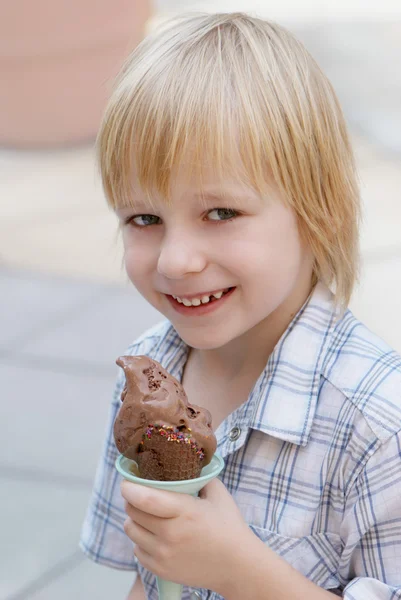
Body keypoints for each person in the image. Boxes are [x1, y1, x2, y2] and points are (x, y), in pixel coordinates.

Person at [80, 12, 401, 600]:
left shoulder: (378, 427)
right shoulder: (144, 378)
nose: (176, 260)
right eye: (144, 218)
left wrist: (237, 570)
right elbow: (144, 578)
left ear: (317, 210)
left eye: (220, 213)